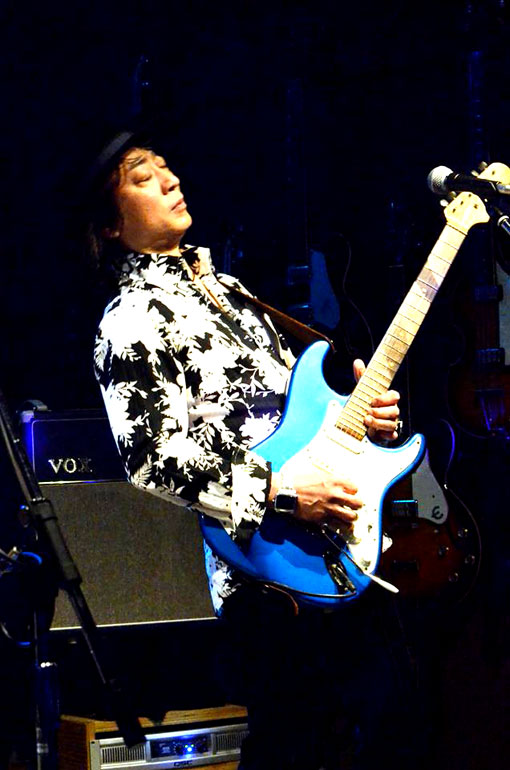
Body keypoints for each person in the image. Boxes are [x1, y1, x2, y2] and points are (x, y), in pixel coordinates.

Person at [90, 137, 417, 770]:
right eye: (142, 177)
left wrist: (364, 425)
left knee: (397, 729)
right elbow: (153, 459)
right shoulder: (130, 319)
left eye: (166, 168)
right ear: (110, 225)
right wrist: (283, 492)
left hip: (343, 550)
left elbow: (299, 421)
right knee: (294, 747)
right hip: (266, 579)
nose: (169, 180)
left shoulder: (232, 292)